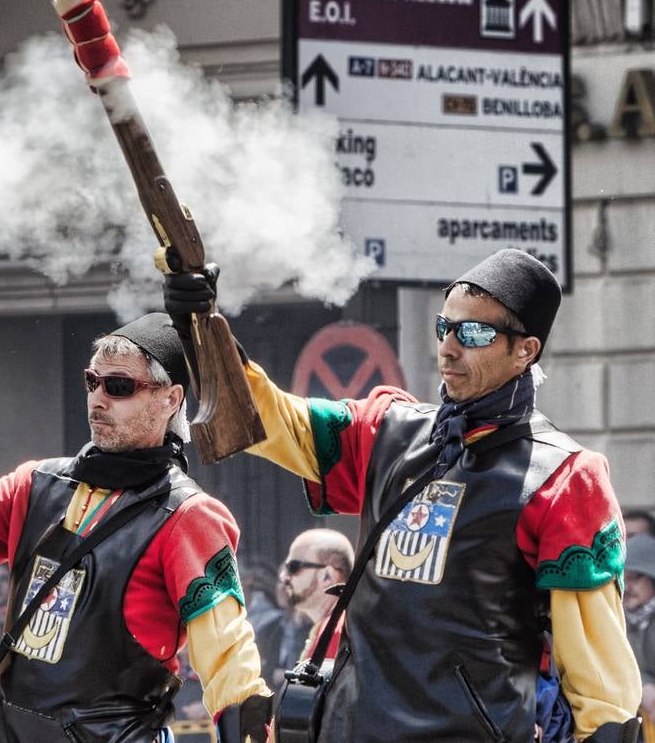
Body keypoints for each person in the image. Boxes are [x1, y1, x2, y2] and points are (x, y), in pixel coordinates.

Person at [165, 248, 644, 742]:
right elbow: (272, 420)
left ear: (526, 350)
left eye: (474, 333)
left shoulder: (566, 477)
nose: (449, 348)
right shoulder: (386, 429)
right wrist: (203, 332)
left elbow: (599, 674)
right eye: (445, 327)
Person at [0, 315, 272, 742]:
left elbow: (228, 658)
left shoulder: (190, 516)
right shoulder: (36, 483)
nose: (98, 399)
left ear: (170, 400)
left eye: (119, 387)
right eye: (91, 382)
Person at [277, 528, 352, 661]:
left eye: (294, 567)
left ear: (327, 576)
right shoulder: (332, 628)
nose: (283, 577)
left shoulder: (337, 633)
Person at [626, 535, 655, 726]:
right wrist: (644, 684)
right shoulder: (618, 618)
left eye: (635, 577)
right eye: (622, 577)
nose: (627, 587)